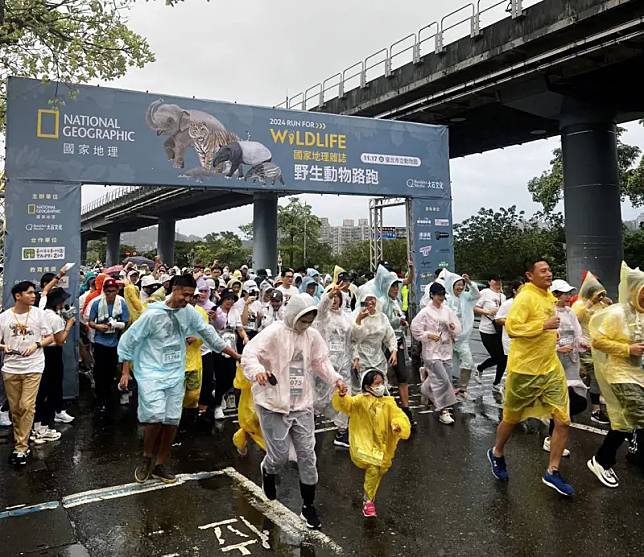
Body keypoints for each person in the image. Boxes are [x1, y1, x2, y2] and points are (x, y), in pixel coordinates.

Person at [118, 274, 241, 484]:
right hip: (152, 373)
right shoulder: (151, 315)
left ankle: (160, 464)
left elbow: (209, 334)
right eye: (184, 294)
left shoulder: (190, 313)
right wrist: (125, 371)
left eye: (191, 296)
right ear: (174, 289)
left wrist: (237, 356)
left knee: (172, 419)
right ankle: (147, 457)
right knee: (155, 416)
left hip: (176, 372)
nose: (187, 299)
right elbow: (128, 341)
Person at [241, 293, 348, 529]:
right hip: (273, 402)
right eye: (303, 319)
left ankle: (308, 507)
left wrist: (336, 380)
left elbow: (321, 362)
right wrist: (257, 370)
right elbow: (249, 353)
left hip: (301, 402)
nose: (306, 325)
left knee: (308, 457)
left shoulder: (311, 336)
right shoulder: (275, 332)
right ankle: (268, 470)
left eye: (310, 320)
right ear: (293, 315)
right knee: (278, 456)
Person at [487, 259, 574, 497]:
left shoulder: (548, 297)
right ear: (529, 275)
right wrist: (543, 325)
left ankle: (552, 471)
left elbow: (545, 328)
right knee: (511, 419)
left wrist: (551, 332)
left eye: (549, 270)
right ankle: (497, 452)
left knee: (563, 420)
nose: (548, 274)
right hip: (525, 370)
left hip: (550, 368)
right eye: (543, 271)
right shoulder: (525, 298)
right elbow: (513, 328)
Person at [586, 262, 644, 488]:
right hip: (619, 373)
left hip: (639, 374)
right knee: (639, 414)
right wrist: (627, 349)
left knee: (625, 421)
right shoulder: (617, 313)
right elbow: (597, 341)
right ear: (634, 291)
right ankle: (611, 458)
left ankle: (602, 460)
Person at [332, 369, 411, 518]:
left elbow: (398, 416)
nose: (380, 386)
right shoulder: (361, 401)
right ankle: (368, 502)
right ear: (368, 387)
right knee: (374, 468)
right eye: (377, 384)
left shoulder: (388, 402)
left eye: (382, 383)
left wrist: (397, 425)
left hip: (381, 445)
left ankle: (369, 499)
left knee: (379, 471)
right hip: (364, 443)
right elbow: (347, 404)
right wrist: (342, 396)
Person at [0, 281, 54, 466]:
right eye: (30, 293)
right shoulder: (5, 317)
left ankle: (21, 447)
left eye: (34, 293)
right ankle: (21, 440)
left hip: (33, 367)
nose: (34, 296)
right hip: (10, 368)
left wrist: (36, 345)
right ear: (18, 296)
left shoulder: (39, 314)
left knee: (26, 405)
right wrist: (3, 346)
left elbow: (50, 337)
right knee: (15, 409)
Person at [547, 279, 589, 456]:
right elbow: (541, 340)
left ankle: (554, 433)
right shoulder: (547, 312)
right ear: (555, 294)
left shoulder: (570, 312)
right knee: (563, 403)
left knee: (576, 401)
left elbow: (578, 333)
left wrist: (584, 343)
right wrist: (557, 348)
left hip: (571, 362)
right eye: (565, 293)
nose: (568, 296)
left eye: (569, 293)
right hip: (553, 362)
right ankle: (552, 439)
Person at [411, 282, 462, 424]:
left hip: (446, 349)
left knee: (446, 378)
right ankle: (443, 410)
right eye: (438, 294)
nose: (441, 297)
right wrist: (428, 335)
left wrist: (452, 327)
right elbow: (415, 329)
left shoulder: (447, 310)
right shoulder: (425, 312)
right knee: (443, 381)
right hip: (431, 351)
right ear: (432, 295)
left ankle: (426, 387)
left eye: (443, 294)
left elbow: (457, 326)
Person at [33, 288, 76, 444]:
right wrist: (69, 324)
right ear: (58, 303)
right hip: (52, 355)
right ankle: (44, 427)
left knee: (41, 390)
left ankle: (37, 427)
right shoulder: (55, 319)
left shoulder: (40, 312)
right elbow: (60, 339)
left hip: (40, 354)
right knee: (51, 389)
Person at [374, 264, 415, 427]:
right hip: (384, 345)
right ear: (386, 286)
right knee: (381, 377)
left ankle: (406, 410)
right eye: (393, 286)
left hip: (398, 343)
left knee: (403, 376)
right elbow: (381, 324)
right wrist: (398, 321)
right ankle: (381, 411)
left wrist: (411, 270)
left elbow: (409, 280)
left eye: (397, 286)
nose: (397, 289)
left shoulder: (396, 301)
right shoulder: (382, 302)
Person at [315, 286, 354, 448]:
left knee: (345, 395)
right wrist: (327, 296)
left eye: (337, 296)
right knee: (321, 399)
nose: (334, 299)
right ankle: (308, 425)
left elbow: (352, 339)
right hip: (325, 364)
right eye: (332, 296)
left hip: (344, 363)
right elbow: (321, 309)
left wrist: (354, 358)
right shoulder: (324, 317)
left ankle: (342, 432)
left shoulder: (347, 317)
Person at [572, 271, 612, 425]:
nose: (599, 295)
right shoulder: (580, 304)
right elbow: (574, 319)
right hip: (585, 347)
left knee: (595, 377)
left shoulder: (602, 304)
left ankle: (593, 404)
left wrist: (608, 305)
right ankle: (595, 409)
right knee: (591, 377)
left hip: (599, 346)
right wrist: (589, 304)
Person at [88, 278, 129, 411]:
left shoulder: (121, 303)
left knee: (111, 371)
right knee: (100, 372)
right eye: (108, 291)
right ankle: (100, 398)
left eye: (113, 291)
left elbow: (126, 321)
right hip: (100, 341)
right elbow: (90, 322)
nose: (111, 294)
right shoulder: (97, 303)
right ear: (104, 291)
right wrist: (98, 326)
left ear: (117, 291)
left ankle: (108, 397)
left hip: (115, 342)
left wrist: (116, 325)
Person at [351, 290, 398, 396]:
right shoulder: (355, 316)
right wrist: (359, 320)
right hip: (360, 360)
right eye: (367, 300)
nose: (370, 302)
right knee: (363, 392)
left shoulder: (382, 317)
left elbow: (390, 336)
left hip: (378, 359)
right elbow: (352, 340)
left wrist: (393, 351)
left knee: (379, 389)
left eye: (372, 299)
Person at [443, 271, 480, 398]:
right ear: (451, 285)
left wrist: (469, 283)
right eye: (457, 285)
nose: (460, 287)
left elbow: (476, 294)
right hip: (448, 339)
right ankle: (445, 389)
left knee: (468, 362)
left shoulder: (465, 297)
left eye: (462, 285)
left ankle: (463, 389)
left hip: (462, 339)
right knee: (446, 365)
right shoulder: (446, 299)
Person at [211, 288, 241, 420]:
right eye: (227, 298)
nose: (230, 301)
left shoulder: (235, 312)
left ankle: (219, 393)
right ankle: (217, 405)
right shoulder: (215, 310)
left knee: (231, 377)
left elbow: (240, 328)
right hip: (218, 348)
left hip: (232, 348)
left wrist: (245, 338)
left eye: (232, 299)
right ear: (222, 299)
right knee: (220, 376)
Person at [475, 275, 507, 391]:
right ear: (489, 281)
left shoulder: (503, 296)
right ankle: (480, 368)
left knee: (504, 358)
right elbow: (475, 307)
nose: (498, 283)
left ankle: (497, 383)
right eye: (495, 280)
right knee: (497, 356)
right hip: (487, 330)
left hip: (500, 330)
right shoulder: (485, 292)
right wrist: (487, 311)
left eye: (499, 280)